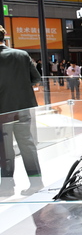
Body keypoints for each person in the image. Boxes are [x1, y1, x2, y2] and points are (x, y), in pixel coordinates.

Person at [0, 26, 43, 196]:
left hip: (2, 112)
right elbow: (36, 79)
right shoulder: (21, 54)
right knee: (28, 146)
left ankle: (7, 187)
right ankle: (36, 183)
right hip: (23, 109)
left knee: (5, 149)